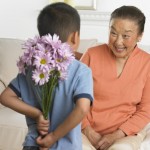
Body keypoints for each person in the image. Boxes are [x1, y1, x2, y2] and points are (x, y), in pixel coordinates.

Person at [0, 2, 94, 150]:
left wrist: (37, 114)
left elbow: (5, 97)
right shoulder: (82, 71)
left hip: (33, 144)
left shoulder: (31, 68)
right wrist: (53, 137)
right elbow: (82, 109)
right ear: (75, 37)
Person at [80, 5, 150, 150]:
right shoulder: (92, 55)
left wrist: (117, 135)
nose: (118, 42)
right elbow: (71, 96)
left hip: (126, 133)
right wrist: (86, 129)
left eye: (126, 36)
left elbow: (146, 109)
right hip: (85, 129)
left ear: (140, 35)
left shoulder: (147, 63)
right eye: (113, 33)